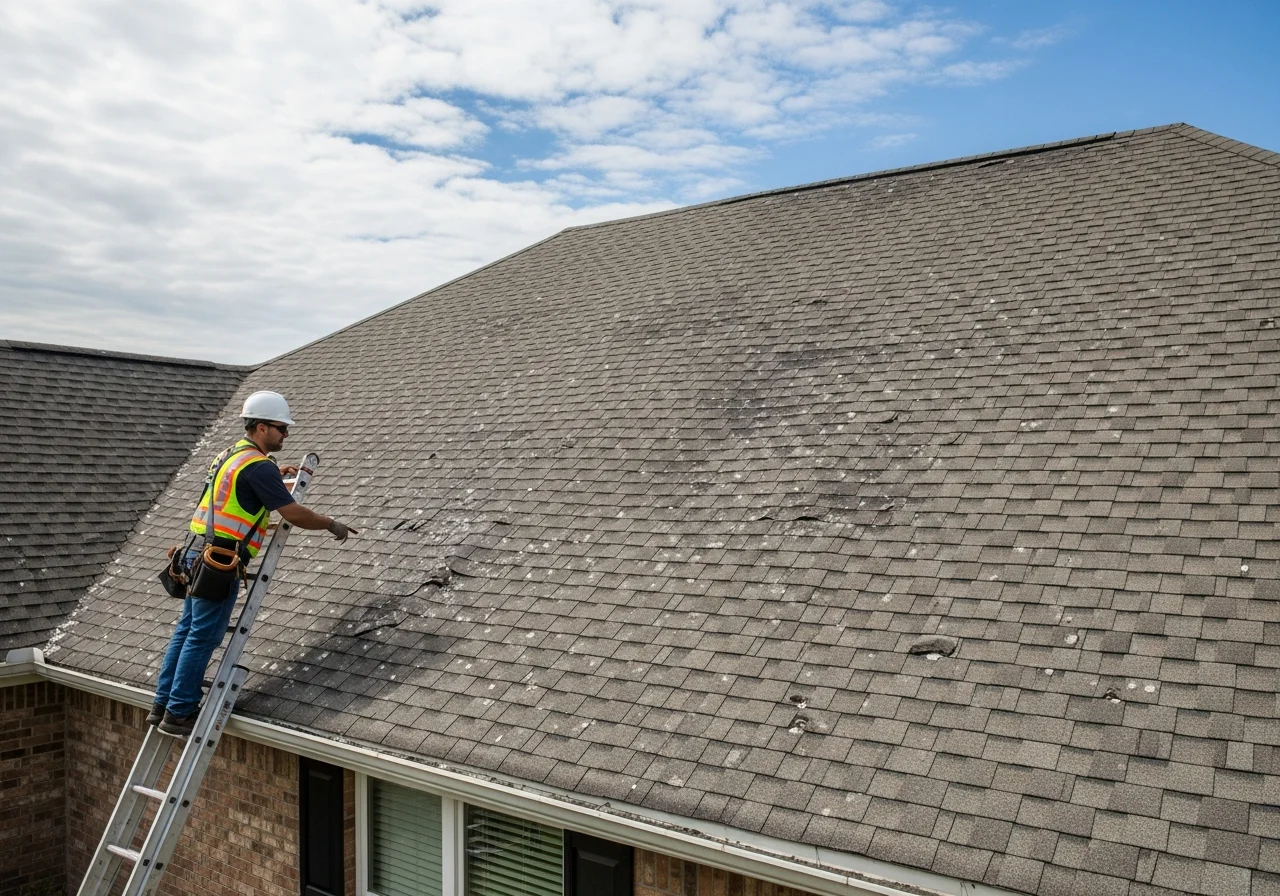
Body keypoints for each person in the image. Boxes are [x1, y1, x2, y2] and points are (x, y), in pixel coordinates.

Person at [150, 390, 357, 737]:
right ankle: (180, 712)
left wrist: (276, 472)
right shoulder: (258, 467)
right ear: (261, 427)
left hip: (195, 553)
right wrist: (329, 523)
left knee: (186, 631)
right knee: (203, 637)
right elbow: (291, 512)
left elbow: (241, 487)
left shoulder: (231, 455)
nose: (285, 435)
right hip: (220, 561)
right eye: (280, 428)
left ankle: (163, 705)